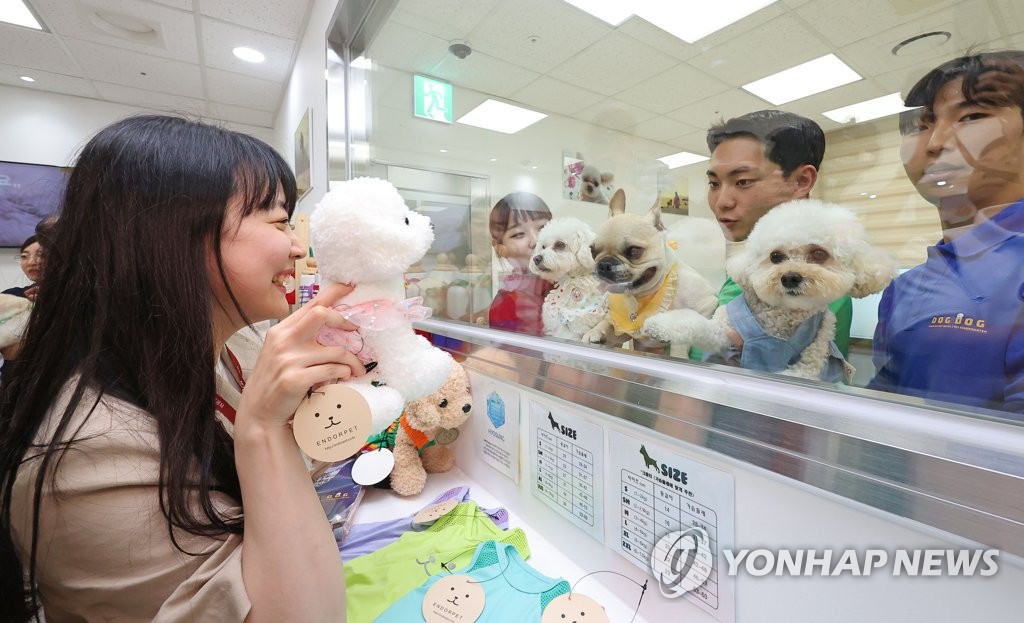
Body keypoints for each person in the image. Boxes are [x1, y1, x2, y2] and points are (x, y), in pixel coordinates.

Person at [0, 115, 366, 621]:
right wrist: (261, 430)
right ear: (173, 233)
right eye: (279, 222)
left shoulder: (227, 351)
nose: (298, 248)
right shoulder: (84, 458)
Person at [870, 50, 1024, 417]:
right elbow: (886, 404)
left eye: (972, 116)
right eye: (920, 125)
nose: (935, 142)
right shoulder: (905, 287)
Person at [705, 110, 854, 358]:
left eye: (742, 181)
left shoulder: (818, 292)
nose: (722, 202)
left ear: (801, 181)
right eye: (714, 184)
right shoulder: (748, 268)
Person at [487, 191, 553, 336]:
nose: (535, 241)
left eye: (542, 227)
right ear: (501, 249)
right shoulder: (507, 305)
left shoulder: (569, 283)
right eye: (518, 234)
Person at [3, 235, 44, 301]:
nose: (31, 262)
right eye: (24, 256)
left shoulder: (64, 299)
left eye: (41, 255)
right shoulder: (12, 296)